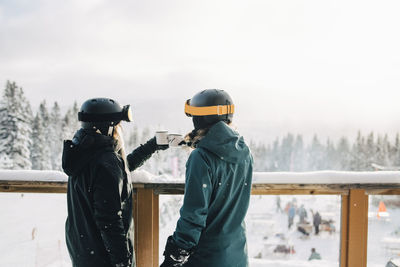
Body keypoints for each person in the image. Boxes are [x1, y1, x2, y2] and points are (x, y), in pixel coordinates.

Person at [62, 98, 168, 267]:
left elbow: (121, 169)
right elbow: (109, 220)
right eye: (118, 125)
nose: (120, 129)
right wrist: (122, 261)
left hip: (84, 251)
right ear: (108, 127)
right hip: (103, 257)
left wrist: (151, 146)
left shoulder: (83, 151)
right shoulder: (105, 161)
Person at [160, 89, 253, 267]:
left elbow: (194, 213)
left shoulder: (200, 158)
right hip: (237, 253)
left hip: (207, 256)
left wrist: (177, 252)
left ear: (200, 119)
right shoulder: (245, 152)